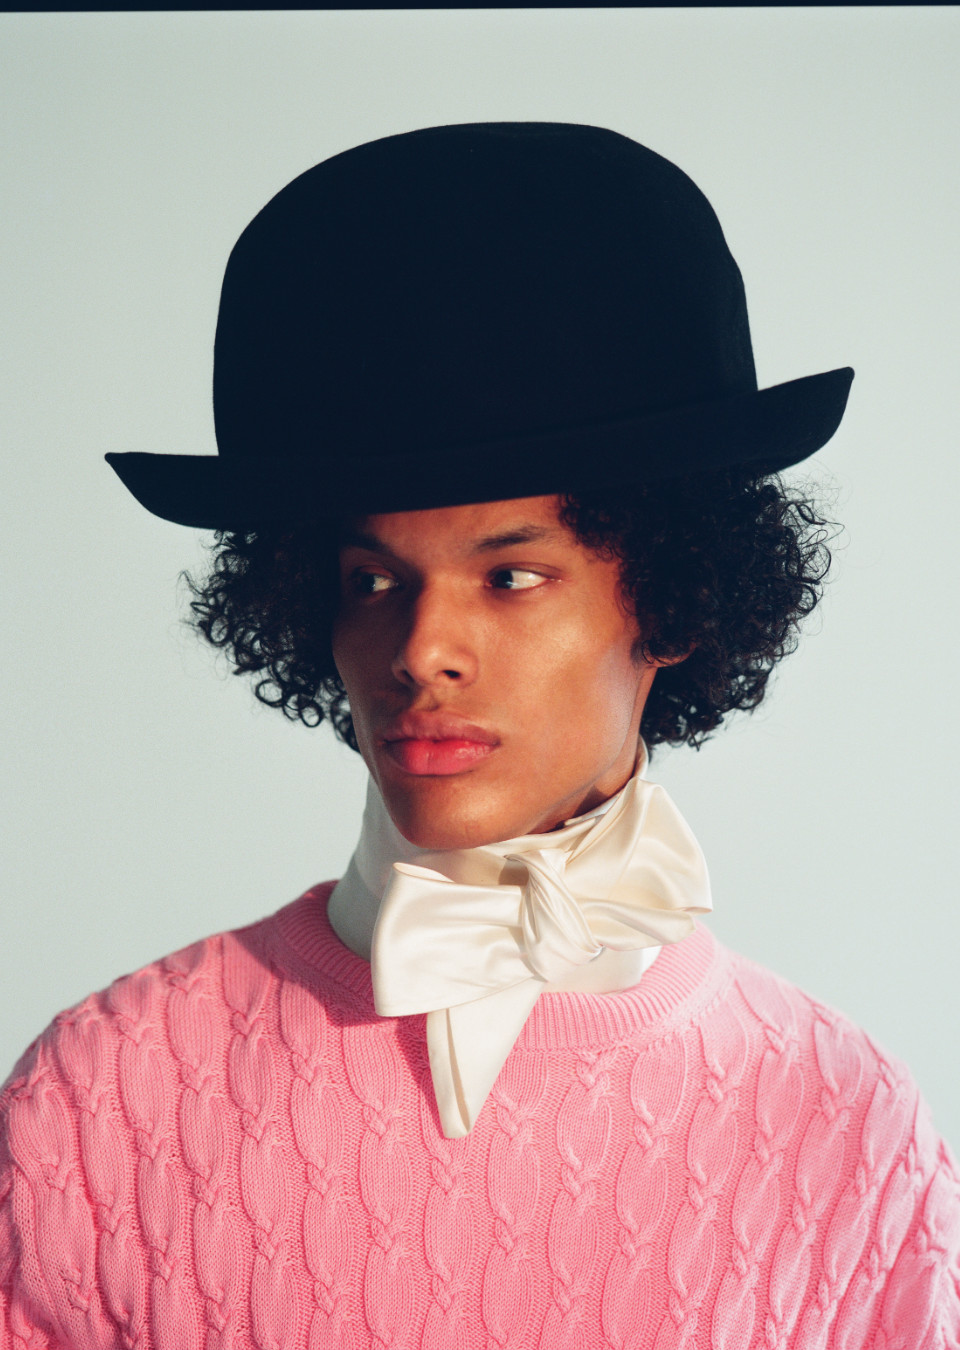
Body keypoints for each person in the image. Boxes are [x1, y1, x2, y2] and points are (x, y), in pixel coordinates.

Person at [2, 122, 957, 1348]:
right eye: (370, 581)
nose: (420, 651)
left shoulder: (848, 1128)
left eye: (511, 577)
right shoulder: (102, 1099)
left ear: (675, 599)